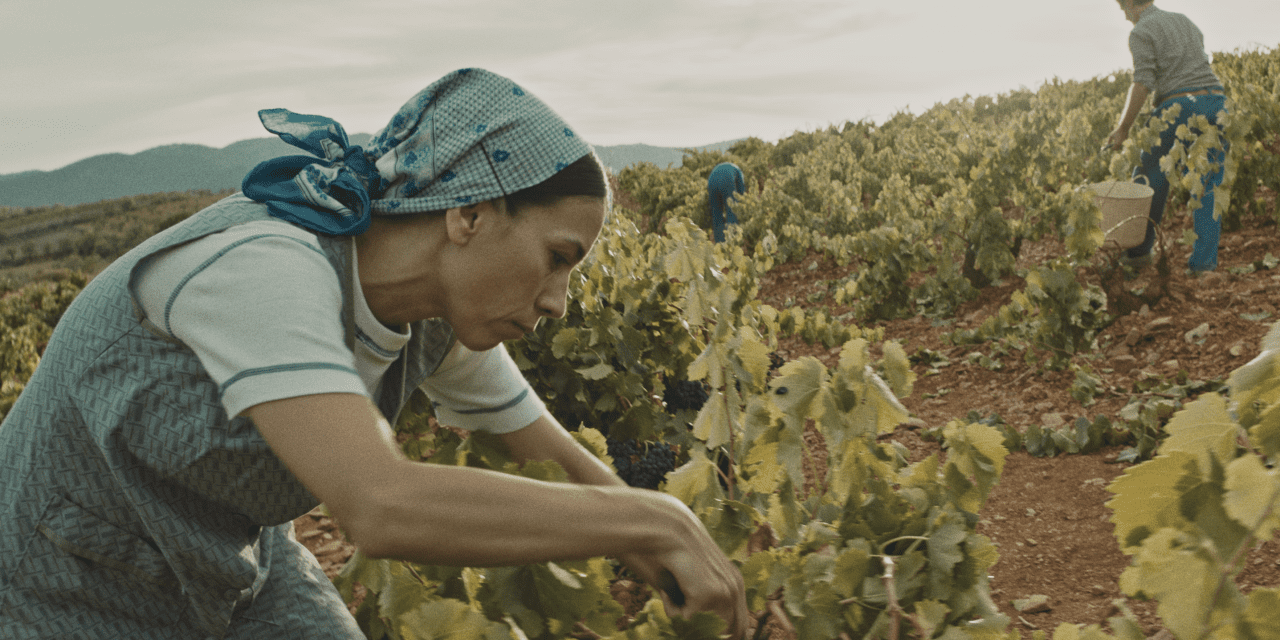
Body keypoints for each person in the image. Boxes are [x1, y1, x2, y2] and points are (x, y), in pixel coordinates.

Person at [0, 68, 747, 640]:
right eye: (556, 257)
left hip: (232, 567)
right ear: (470, 213)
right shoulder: (264, 266)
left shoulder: (433, 319)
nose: (556, 301)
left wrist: (664, 536)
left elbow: (553, 458)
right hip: (57, 576)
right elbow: (380, 505)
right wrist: (652, 523)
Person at [1106, 0, 1228, 273]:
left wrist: (1123, 127)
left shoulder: (1141, 31)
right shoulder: (1185, 20)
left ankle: (1137, 254)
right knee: (1209, 184)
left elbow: (1143, 81)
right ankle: (1203, 266)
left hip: (1179, 106)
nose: (1125, 18)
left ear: (1129, 5)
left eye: (1123, 10)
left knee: (1149, 178)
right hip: (1216, 103)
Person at [707, 162, 745, 243]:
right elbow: (741, 194)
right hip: (727, 180)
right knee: (732, 210)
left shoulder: (733, 168)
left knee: (716, 215)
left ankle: (719, 245)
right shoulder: (739, 172)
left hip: (711, 181)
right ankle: (732, 242)